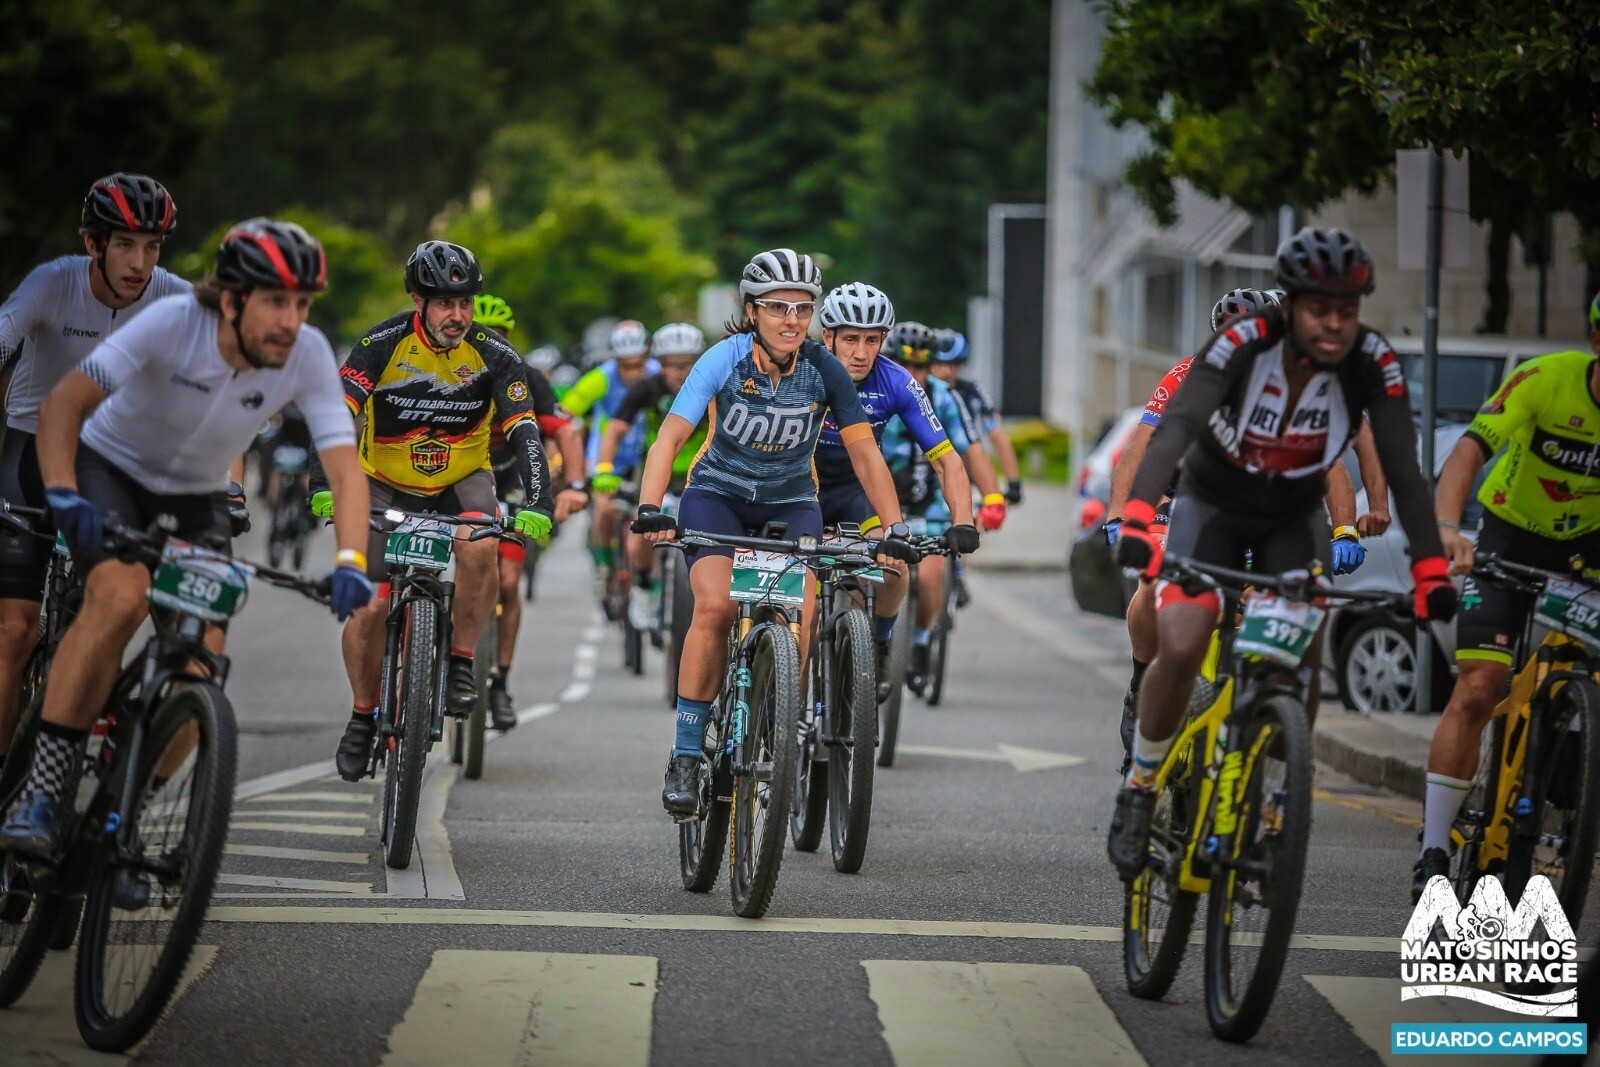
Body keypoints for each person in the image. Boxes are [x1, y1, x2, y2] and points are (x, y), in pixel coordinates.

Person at [0, 218, 373, 855]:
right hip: (111, 470)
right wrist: (62, 492)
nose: (291, 320)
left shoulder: (307, 352)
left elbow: (344, 467)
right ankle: (42, 788)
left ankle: (124, 815)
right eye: (275, 301)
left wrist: (352, 558)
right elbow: (63, 404)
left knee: (201, 664)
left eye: (302, 304)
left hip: (196, 495)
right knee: (120, 600)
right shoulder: (173, 323)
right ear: (231, 300)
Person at [1105, 227, 1457, 882]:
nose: (1334, 324)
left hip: (1288, 517)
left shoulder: (1366, 362)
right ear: (1289, 307)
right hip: (1211, 505)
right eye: (1319, 309)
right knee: (1183, 638)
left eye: (1347, 310)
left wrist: (1427, 565)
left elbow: (1394, 463)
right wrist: (1133, 515)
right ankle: (1141, 783)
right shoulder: (1233, 349)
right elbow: (1169, 434)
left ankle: (1275, 804)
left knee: (1302, 647)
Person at [628, 249, 920, 816]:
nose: (792, 319)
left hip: (791, 503)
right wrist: (649, 507)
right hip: (717, 499)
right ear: (752, 311)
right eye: (778, 307)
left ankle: (780, 725)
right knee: (715, 606)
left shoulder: (824, 368)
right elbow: (670, 438)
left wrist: (895, 527)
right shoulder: (723, 358)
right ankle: (686, 754)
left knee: (804, 612)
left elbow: (865, 452)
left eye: (803, 309)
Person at [1103, 286, 1390, 768]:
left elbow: (1335, 463)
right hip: (1190, 495)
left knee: (1296, 611)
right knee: (1153, 587)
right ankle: (1141, 687)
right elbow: (1146, 445)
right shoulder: (1194, 374)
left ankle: (1274, 760)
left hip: (1274, 507)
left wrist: (1346, 530)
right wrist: (1122, 515)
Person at [313, 242, 556, 779]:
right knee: (369, 608)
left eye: (465, 303)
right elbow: (334, 415)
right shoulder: (381, 343)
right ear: (418, 301)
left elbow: (524, 431)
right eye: (445, 303)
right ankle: (361, 716)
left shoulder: (494, 353)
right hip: (382, 481)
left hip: (461, 479)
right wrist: (324, 483)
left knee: (482, 544)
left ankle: (463, 660)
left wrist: (541, 501)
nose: (458, 315)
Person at [1413, 291, 1600, 901]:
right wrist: (1448, 528)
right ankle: (1434, 849)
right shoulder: (1547, 379)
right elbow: (1469, 451)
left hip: (1587, 549)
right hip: (1510, 537)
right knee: (1479, 686)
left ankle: (1571, 779)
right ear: (1596, 342)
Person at [0, 173, 189, 762]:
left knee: (131, 607)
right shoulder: (52, 284)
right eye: (125, 244)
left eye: (152, 246)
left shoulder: (174, 298)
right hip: (32, 452)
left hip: (118, 464)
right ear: (93, 244)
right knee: (14, 633)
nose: (140, 262)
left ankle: (113, 717)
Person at [814, 284, 977, 688]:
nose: (861, 352)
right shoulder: (803, 370)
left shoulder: (896, 381)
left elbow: (946, 459)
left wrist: (963, 520)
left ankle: (880, 644)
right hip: (799, 491)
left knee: (894, 570)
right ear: (828, 336)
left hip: (857, 492)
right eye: (850, 339)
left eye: (872, 340)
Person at [473, 293, 588, 729]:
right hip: (452, 478)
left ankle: (500, 681)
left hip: (508, 480)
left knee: (507, 582)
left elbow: (566, 433)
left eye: (497, 335)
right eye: (478, 334)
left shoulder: (525, 375)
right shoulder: (442, 368)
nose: (487, 342)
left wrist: (574, 486)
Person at [881, 321, 1005, 687]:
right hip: (881, 498)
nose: (913, 375)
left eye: (921, 367)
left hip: (930, 503)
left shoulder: (945, 398)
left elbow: (972, 450)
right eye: (904, 366)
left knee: (931, 575)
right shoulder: (874, 389)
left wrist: (993, 496)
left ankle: (921, 640)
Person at [594, 321, 710, 632]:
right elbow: (614, 430)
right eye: (671, 365)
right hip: (657, 475)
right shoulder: (647, 389)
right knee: (644, 533)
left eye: (687, 364)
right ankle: (643, 583)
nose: (680, 373)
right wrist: (604, 469)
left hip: (700, 476)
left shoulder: (711, 388)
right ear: (659, 364)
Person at [562, 319, 659, 602]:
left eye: (638, 365)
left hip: (642, 454)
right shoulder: (601, 377)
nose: (633, 373)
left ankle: (645, 574)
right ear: (615, 360)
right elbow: (565, 412)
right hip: (606, 456)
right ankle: (605, 563)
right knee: (604, 509)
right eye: (625, 366)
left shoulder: (657, 374)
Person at [930, 328, 1024, 505]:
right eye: (938, 364)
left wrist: (1013, 484)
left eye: (953, 364)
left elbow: (996, 433)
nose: (946, 370)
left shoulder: (973, 390)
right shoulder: (915, 390)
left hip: (964, 469)